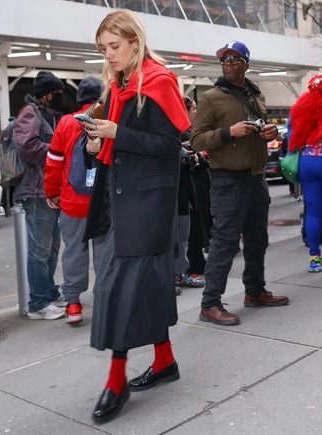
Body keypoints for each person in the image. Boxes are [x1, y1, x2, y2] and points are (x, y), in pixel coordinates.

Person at [82, 9, 190, 423]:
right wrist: (95, 143)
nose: (108, 55)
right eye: (103, 49)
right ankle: (164, 361)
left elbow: (169, 145)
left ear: (134, 41)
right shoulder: (119, 85)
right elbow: (109, 144)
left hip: (147, 205)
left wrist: (116, 134)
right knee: (148, 285)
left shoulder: (159, 80)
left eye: (114, 46)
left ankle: (115, 381)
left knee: (117, 290)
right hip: (121, 199)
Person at [190, 40, 289, 326]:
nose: (228, 64)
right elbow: (196, 140)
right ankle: (210, 304)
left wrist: (270, 134)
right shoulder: (211, 97)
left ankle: (255, 291)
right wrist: (228, 132)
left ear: (246, 63)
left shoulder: (255, 94)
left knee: (258, 239)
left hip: (256, 177)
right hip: (228, 180)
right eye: (224, 60)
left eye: (235, 59)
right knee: (225, 242)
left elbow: (262, 131)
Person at [44, 76, 105, 324]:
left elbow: (54, 163)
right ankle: (104, 305)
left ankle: (73, 304)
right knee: (105, 255)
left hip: (72, 200)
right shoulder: (105, 122)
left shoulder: (66, 123)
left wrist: (52, 192)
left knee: (73, 253)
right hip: (102, 202)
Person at [14, 71, 66, 320]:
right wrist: (57, 149)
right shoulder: (30, 113)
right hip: (36, 192)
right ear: (47, 94)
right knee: (40, 249)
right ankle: (38, 303)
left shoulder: (48, 115)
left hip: (49, 191)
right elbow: (26, 147)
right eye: (57, 93)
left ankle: (48, 292)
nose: (61, 97)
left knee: (52, 247)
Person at [288, 74, 322, 274]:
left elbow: (293, 137)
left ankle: (314, 258)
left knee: (314, 211)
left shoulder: (298, 108)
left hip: (306, 160)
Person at [174, 96, 207, 291]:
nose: (196, 112)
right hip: (176, 192)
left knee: (183, 236)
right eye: (194, 109)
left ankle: (180, 273)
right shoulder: (175, 131)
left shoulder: (188, 131)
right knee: (174, 237)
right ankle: (171, 276)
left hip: (186, 192)